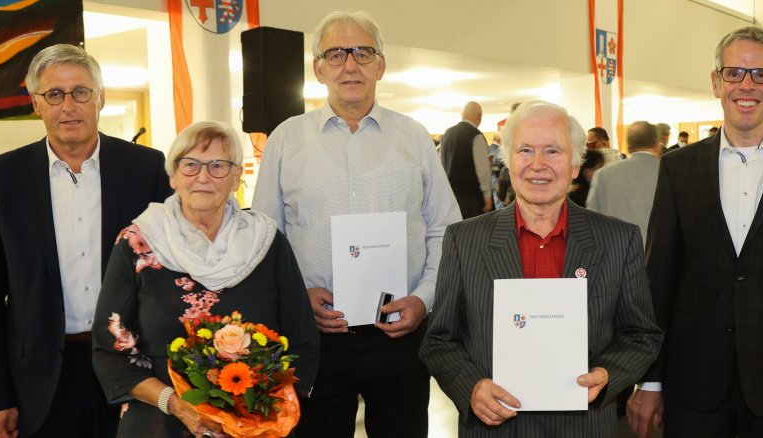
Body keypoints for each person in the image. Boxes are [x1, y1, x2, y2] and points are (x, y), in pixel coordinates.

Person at [628, 27, 763, 438]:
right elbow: (659, 278)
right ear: (716, 82)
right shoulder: (678, 169)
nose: (746, 85)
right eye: (734, 73)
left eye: (760, 74)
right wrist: (651, 381)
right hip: (693, 384)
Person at [251, 10, 461, 438]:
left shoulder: (414, 138)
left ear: (380, 65)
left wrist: (423, 299)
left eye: (363, 52)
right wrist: (297, 297)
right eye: (336, 54)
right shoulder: (286, 140)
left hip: (400, 336)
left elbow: (446, 231)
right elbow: (265, 240)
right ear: (318, 69)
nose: (350, 64)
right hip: (316, 336)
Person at [419, 100, 663, 436]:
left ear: (576, 164)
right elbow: (440, 340)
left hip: (585, 427)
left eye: (553, 151)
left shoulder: (619, 240)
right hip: (496, 429)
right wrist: (471, 388)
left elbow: (641, 335)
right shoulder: (464, 240)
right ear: (508, 159)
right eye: (525, 150)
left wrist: (608, 375)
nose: (537, 165)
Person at [0, 43, 172, 437]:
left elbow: (171, 275)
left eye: (81, 92)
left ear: (101, 98)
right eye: (54, 94)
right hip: (40, 379)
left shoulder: (148, 168)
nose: (68, 106)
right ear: (36, 103)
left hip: (133, 368)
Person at [91, 121, 319, 437]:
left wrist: (255, 411)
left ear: (237, 176)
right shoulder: (137, 244)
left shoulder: (267, 243)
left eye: (217, 165)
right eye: (190, 165)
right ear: (172, 176)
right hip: (161, 421)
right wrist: (177, 404)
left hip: (255, 425)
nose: (203, 176)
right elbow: (111, 348)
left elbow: (301, 338)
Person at [587, 120, 662, 243]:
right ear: (656, 144)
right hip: (659, 254)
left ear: (629, 146)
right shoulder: (670, 173)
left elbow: (592, 219)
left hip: (616, 253)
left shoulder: (603, 175)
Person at [440, 101, 494, 218]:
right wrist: (487, 196)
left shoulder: (447, 134)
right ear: (479, 116)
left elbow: (442, 165)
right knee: (474, 233)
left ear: (462, 114)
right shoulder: (476, 135)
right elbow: (482, 170)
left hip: (452, 197)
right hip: (472, 198)